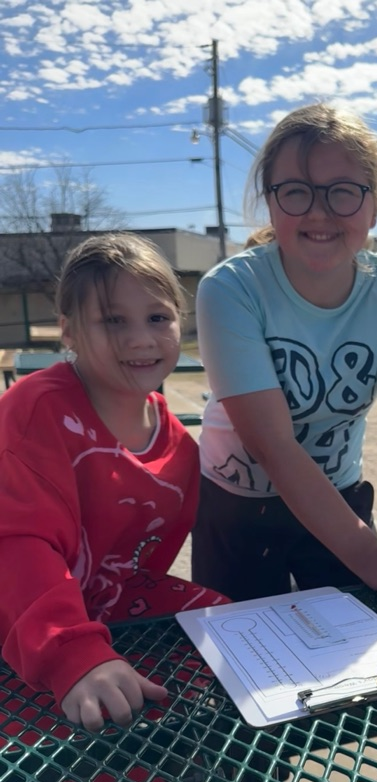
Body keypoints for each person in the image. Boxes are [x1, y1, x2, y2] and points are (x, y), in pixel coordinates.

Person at [192, 102, 377, 625]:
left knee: (359, 661)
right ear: (271, 202)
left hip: (339, 497)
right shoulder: (230, 288)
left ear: (374, 207)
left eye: (344, 191)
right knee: (243, 670)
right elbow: (272, 445)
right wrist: (368, 552)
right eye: (296, 190)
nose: (319, 211)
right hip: (236, 509)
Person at [0, 232, 227, 732]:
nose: (141, 339)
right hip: (23, 622)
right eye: (112, 320)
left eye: (157, 318)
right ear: (68, 332)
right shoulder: (33, 412)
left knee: (235, 633)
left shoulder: (180, 446)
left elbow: (136, 566)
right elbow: (16, 543)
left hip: (110, 612)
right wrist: (73, 654)